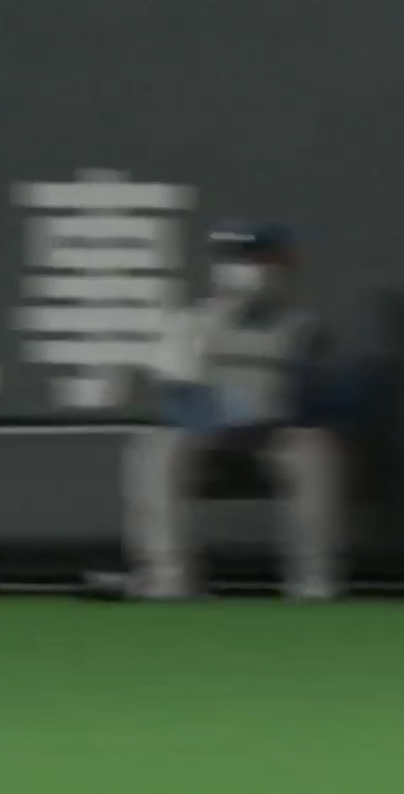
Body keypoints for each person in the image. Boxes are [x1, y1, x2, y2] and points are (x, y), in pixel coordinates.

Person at [122, 222, 344, 600]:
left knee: (316, 451)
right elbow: (175, 397)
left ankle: (314, 583)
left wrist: (283, 415)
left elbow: (319, 399)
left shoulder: (303, 328)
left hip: (273, 438)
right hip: (208, 439)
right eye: (240, 259)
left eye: (260, 258)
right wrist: (218, 418)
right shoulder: (191, 323)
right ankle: (170, 578)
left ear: (283, 265)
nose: (251, 269)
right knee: (158, 449)